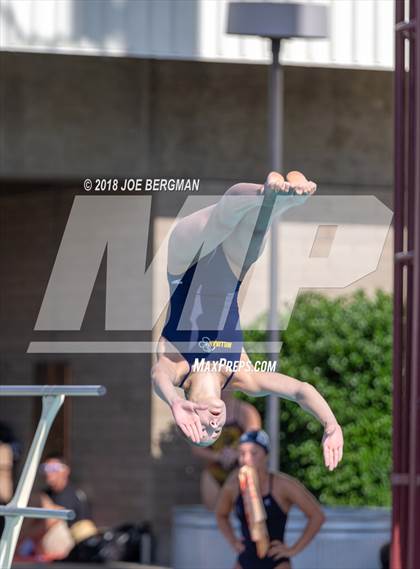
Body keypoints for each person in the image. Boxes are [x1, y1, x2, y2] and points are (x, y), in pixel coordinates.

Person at [152, 171, 344, 471]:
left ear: (190, 414)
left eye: (203, 430)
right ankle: (279, 193)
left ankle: (265, 191)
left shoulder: (179, 368)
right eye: (214, 434)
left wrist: (173, 403)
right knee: (260, 225)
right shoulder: (243, 376)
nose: (213, 428)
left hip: (185, 263)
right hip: (231, 271)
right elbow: (300, 390)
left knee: (221, 219)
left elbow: (157, 377)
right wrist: (330, 423)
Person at [216, 430, 325, 569]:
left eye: (254, 453)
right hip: (245, 560)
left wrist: (293, 549)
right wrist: (233, 541)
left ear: (266, 455)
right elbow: (220, 515)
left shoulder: (282, 485)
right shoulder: (233, 487)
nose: (246, 459)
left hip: (276, 561)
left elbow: (317, 516)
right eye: (242, 453)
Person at [192, 391, 261, 510]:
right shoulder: (202, 413)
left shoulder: (245, 411)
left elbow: (254, 442)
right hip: (215, 470)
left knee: (242, 510)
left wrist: (236, 454)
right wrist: (218, 456)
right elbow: (196, 448)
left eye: (225, 383)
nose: (222, 388)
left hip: (240, 468)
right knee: (215, 513)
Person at [41, 453, 91, 527]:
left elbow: (51, 521)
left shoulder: (75, 496)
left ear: (66, 471)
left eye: (54, 468)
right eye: (46, 468)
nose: (48, 473)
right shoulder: (45, 493)